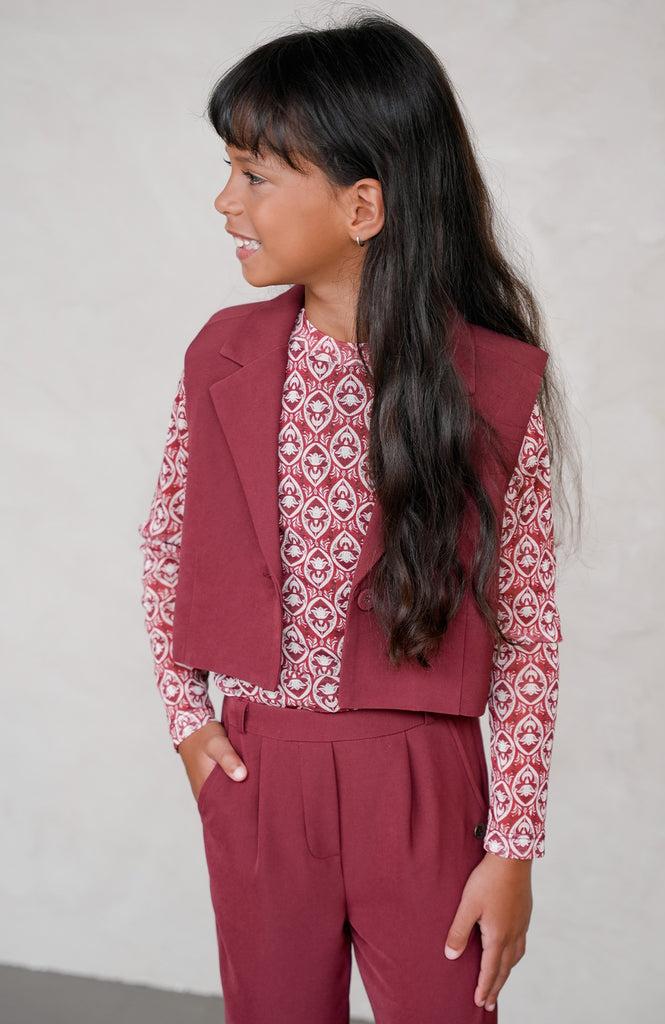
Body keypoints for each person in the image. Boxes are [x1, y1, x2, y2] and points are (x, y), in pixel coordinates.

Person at [140, 14, 568, 1024]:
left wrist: (512, 846)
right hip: (259, 773)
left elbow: (525, 633)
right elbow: (166, 549)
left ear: (362, 204)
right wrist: (190, 729)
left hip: (421, 783)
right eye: (229, 169)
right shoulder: (221, 356)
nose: (225, 199)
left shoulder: (489, 387)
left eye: (254, 174)